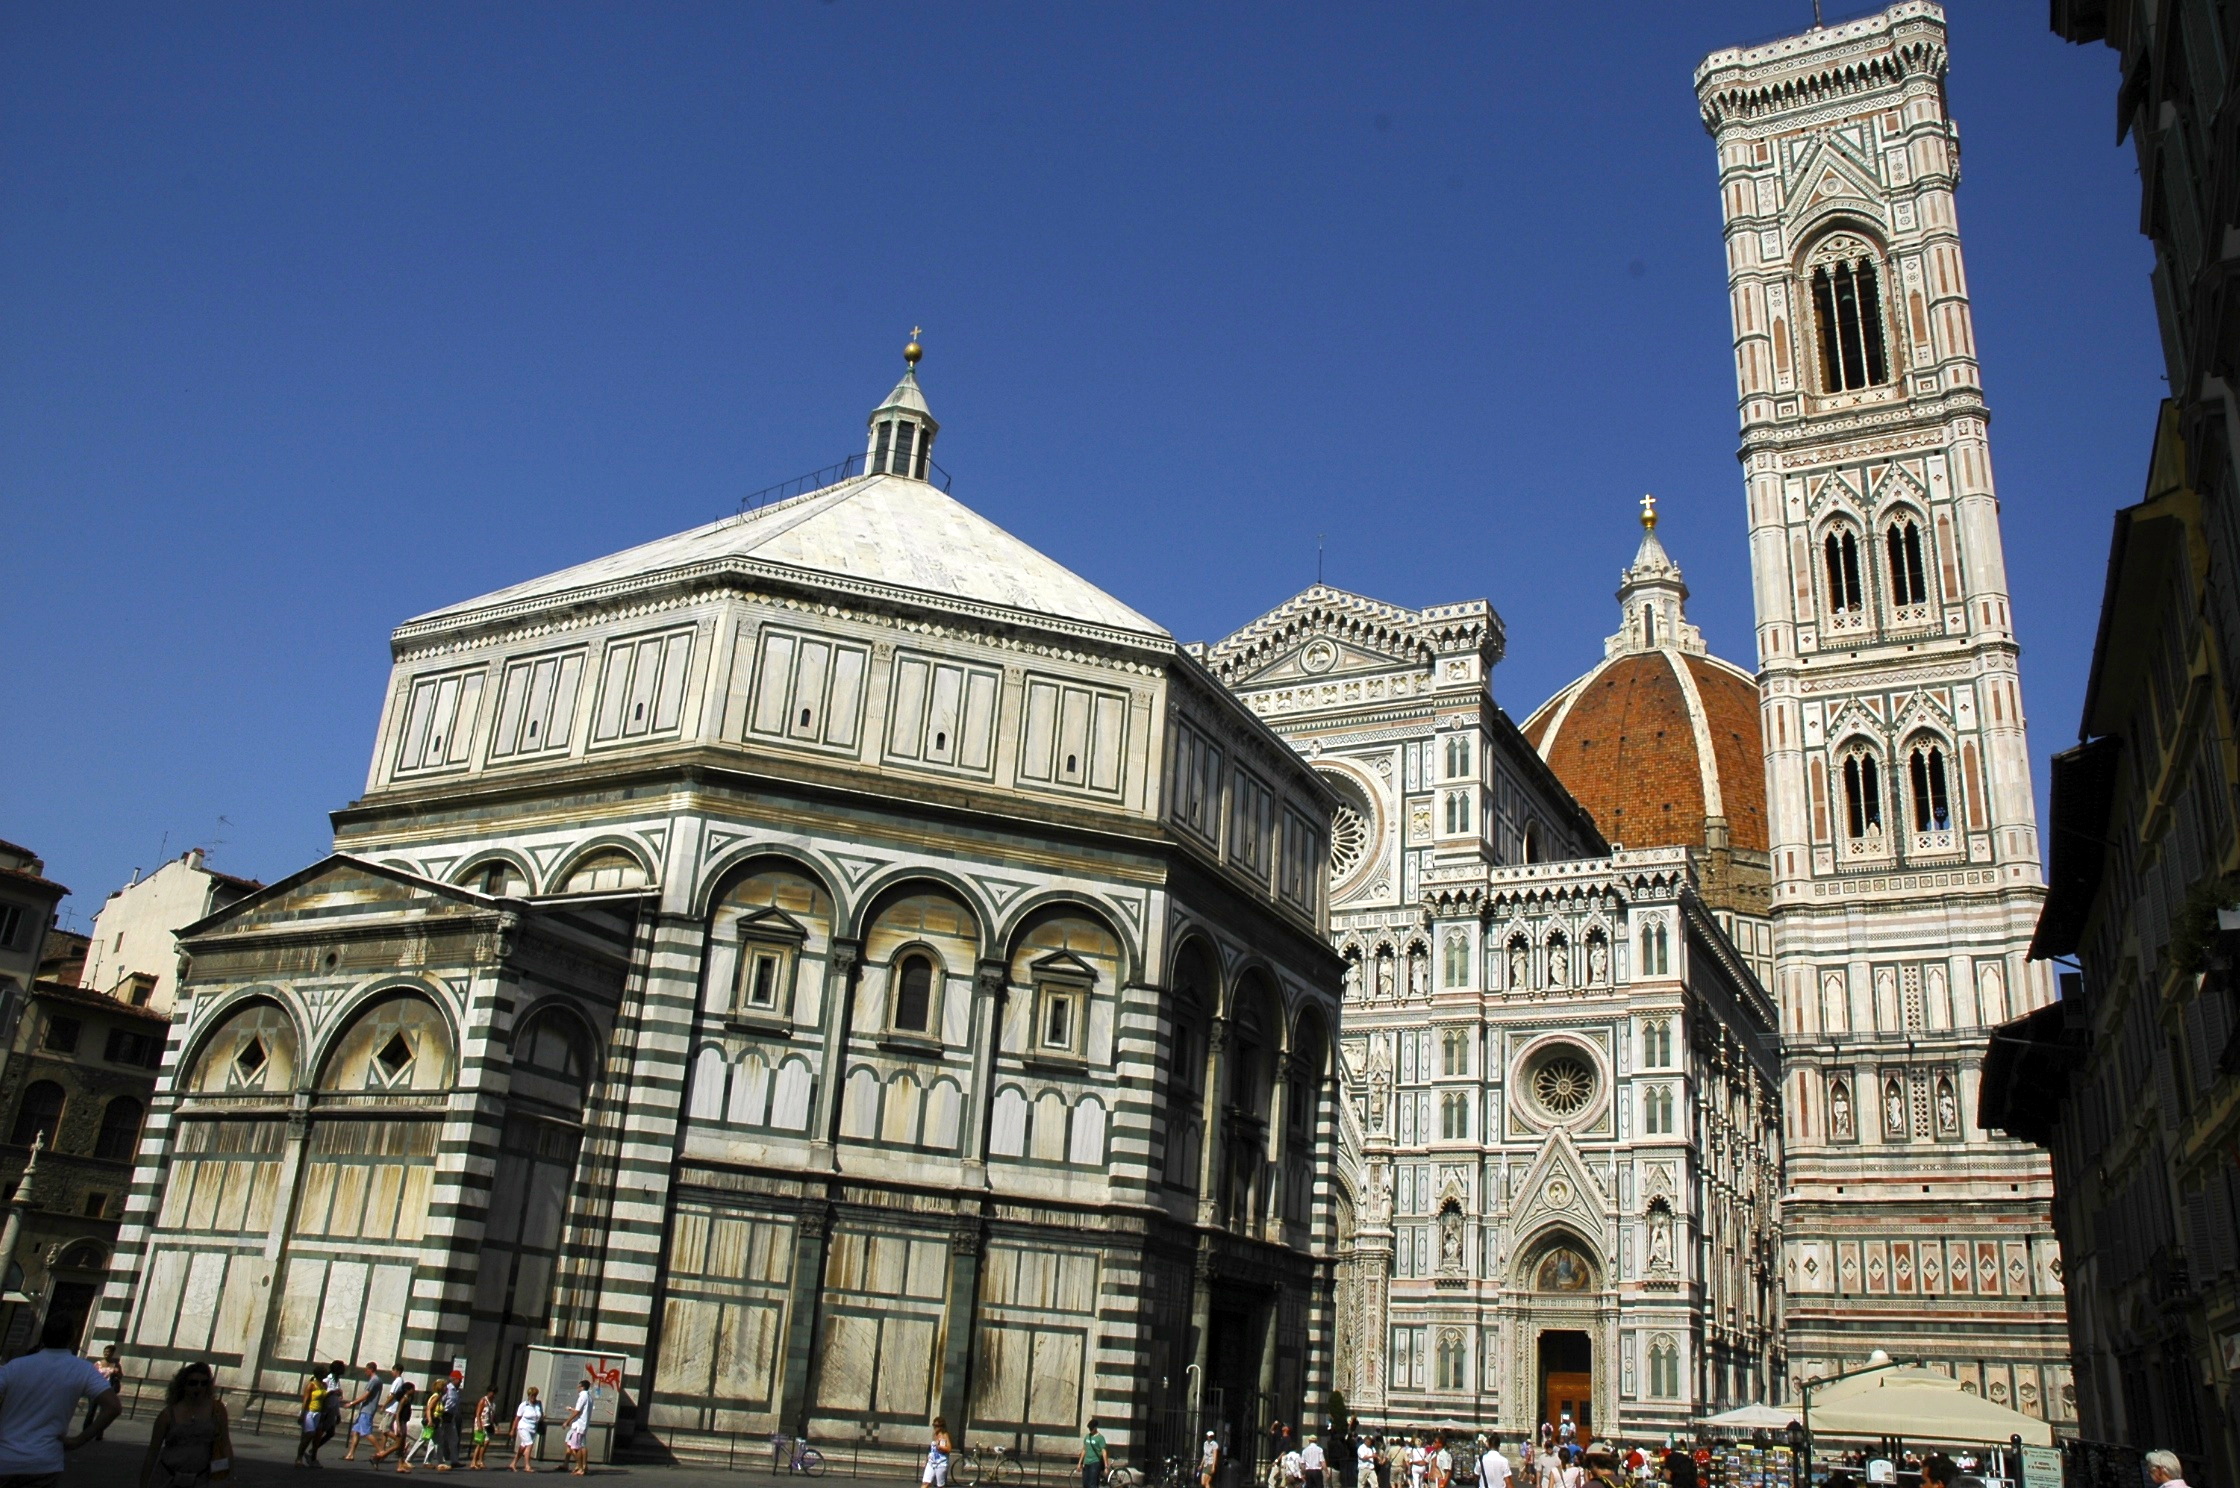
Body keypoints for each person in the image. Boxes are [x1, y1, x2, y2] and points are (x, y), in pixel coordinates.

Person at [0, 1312, 122, 1487]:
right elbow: (113, 1407)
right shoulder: (83, 1369)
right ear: (72, 1338)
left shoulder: (16, 1366)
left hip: (5, 1459)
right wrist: (79, 1440)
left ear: (43, 1336)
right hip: (44, 1462)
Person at [139, 1361, 231, 1488]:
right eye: (193, 1383)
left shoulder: (217, 1410)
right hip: (168, 1476)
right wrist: (144, 1484)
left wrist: (227, 1476)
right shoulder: (167, 1415)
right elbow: (153, 1452)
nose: (199, 1387)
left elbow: (225, 1443)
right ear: (183, 1385)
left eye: (203, 1383)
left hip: (202, 1477)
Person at [346, 1364, 386, 1462]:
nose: (365, 1372)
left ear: (371, 1369)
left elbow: (365, 1396)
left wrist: (352, 1403)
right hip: (364, 1409)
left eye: (366, 1370)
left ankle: (381, 1451)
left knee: (366, 1432)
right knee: (356, 1431)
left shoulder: (374, 1380)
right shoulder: (377, 1380)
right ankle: (350, 1454)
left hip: (367, 1409)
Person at [376, 1378, 415, 1466]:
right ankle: (378, 1457)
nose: (414, 1391)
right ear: (407, 1390)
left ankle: (400, 1465)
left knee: (401, 1447)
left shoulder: (407, 1399)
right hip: (400, 1423)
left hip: (403, 1423)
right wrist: (398, 1426)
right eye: (412, 1389)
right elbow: (398, 1413)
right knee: (398, 1445)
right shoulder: (404, 1400)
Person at [295, 1368, 329, 1467]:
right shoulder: (311, 1385)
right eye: (324, 1372)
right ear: (319, 1374)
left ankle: (313, 1458)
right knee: (309, 1434)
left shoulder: (324, 1385)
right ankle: (299, 1458)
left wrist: (323, 1413)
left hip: (319, 1413)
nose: (326, 1373)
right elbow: (306, 1400)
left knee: (317, 1437)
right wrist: (302, 1415)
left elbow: (324, 1401)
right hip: (309, 1412)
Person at [88, 1345, 124, 1434]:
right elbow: (91, 1375)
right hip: (96, 1389)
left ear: (112, 1353)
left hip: (107, 1390)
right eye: (105, 1351)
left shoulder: (115, 1364)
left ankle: (99, 1433)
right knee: (91, 1411)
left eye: (108, 1352)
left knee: (103, 1413)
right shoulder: (98, 1364)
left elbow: (120, 1376)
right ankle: (86, 1430)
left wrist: (116, 1372)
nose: (106, 1353)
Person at [432, 1371, 463, 1472]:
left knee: (454, 1438)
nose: (460, 1381)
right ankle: (429, 1460)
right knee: (437, 1439)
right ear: (454, 1379)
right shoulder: (448, 1389)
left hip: (451, 1417)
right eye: (459, 1379)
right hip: (443, 1415)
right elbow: (441, 1400)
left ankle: (454, 1460)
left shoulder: (456, 1391)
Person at [509, 1387, 543, 1473]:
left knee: (523, 1446)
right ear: (528, 1396)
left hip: (533, 1428)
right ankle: (527, 1466)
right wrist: (513, 1430)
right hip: (524, 1427)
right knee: (529, 1444)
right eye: (532, 1395)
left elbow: (541, 1415)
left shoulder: (539, 1404)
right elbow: (517, 1418)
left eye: (535, 1395)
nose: (533, 1397)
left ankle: (513, 1463)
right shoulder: (524, 1405)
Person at [562, 1377, 592, 1476]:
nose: (577, 1387)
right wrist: (571, 1409)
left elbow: (578, 1411)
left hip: (578, 1426)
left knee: (575, 1447)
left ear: (582, 1387)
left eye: (579, 1386)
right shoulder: (589, 1397)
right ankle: (582, 1466)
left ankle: (580, 1467)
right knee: (580, 1445)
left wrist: (567, 1421)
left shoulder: (582, 1396)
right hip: (583, 1425)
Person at [470, 1388, 496, 1471]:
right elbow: (478, 1413)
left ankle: (480, 1460)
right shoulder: (483, 1400)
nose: (492, 1394)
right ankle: (473, 1462)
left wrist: (495, 1424)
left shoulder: (493, 1404)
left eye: (494, 1393)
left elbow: (493, 1415)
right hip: (480, 1424)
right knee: (479, 1443)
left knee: (486, 1442)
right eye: (491, 1392)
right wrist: (479, 1424)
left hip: (488, 1425)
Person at [925, 1416, 954, 1488]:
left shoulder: (945, 1435)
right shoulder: (935, 1434)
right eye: (934, 1425)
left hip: (941, 1463)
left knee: (940, 1486)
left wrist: (940, 1447)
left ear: (941, 1426)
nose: (935, 1427)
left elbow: (949, 1449)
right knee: (926, 1482)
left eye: (937, 1426)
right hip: (931, 1462)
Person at [1081, 1419, 1110, 1488]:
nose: (1090, 1430)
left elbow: (1104, 1452)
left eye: (1091, 1428)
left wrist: (1106, 1466)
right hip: (1086, 1463)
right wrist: (1080, 1463)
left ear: (1096, 1427)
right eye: (1089, 1428)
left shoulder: (1100, 1438)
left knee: (1092, 1484)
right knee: (1085, 1484)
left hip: (1095, 1463)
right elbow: (1084, 1449)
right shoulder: (1087, 1437)